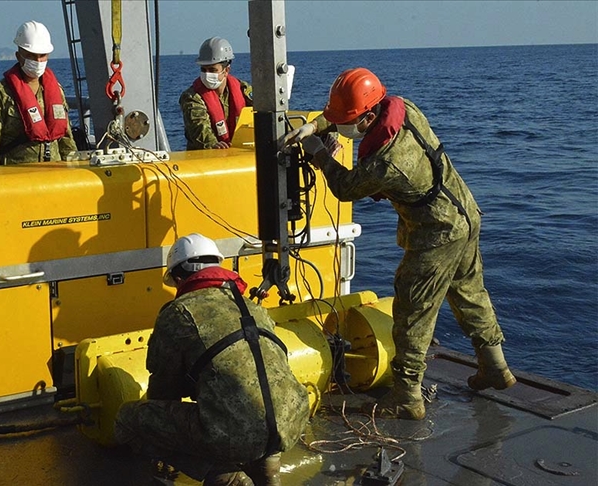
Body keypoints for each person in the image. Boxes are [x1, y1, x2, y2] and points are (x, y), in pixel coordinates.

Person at [280, 67, 516, 420]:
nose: (344, 128)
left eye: (349, 121)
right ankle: (495, 366)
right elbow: (351, 118)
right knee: (469, 291)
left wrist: (318, 151)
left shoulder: (388, 162)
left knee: (412, 310)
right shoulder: (404, 108)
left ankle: (406, 395)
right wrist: (316, 125)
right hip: (465, 214)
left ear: (369, 117)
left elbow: (346, 187)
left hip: (436, 232)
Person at [114, 233, 309, 485]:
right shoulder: (252, 306)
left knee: (129, 419)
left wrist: (163, 428)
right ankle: (267, 469)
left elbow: (165, 389)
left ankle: (225, 477)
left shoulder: (178, 312)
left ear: (179, 278)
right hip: (290, 422)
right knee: (255, 411)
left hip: (237, 432)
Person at [0, 21, 76, 165]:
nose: (38, 61)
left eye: (42, 55)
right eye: (31, 56)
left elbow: (66, 138)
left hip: (54, 174)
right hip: (16, 175)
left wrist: (73, 167)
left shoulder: (56, 90)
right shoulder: (0, 93)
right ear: (19, 56)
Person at [179, 37, 253, 150]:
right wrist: (212, 144)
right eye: (204, 70)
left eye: (212, 70)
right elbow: (198, 126)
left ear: (226, 70)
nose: (207, 74)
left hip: (238, 152)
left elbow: (261, 109)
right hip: (206, 158)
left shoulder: (243, 89)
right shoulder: (192, 97)